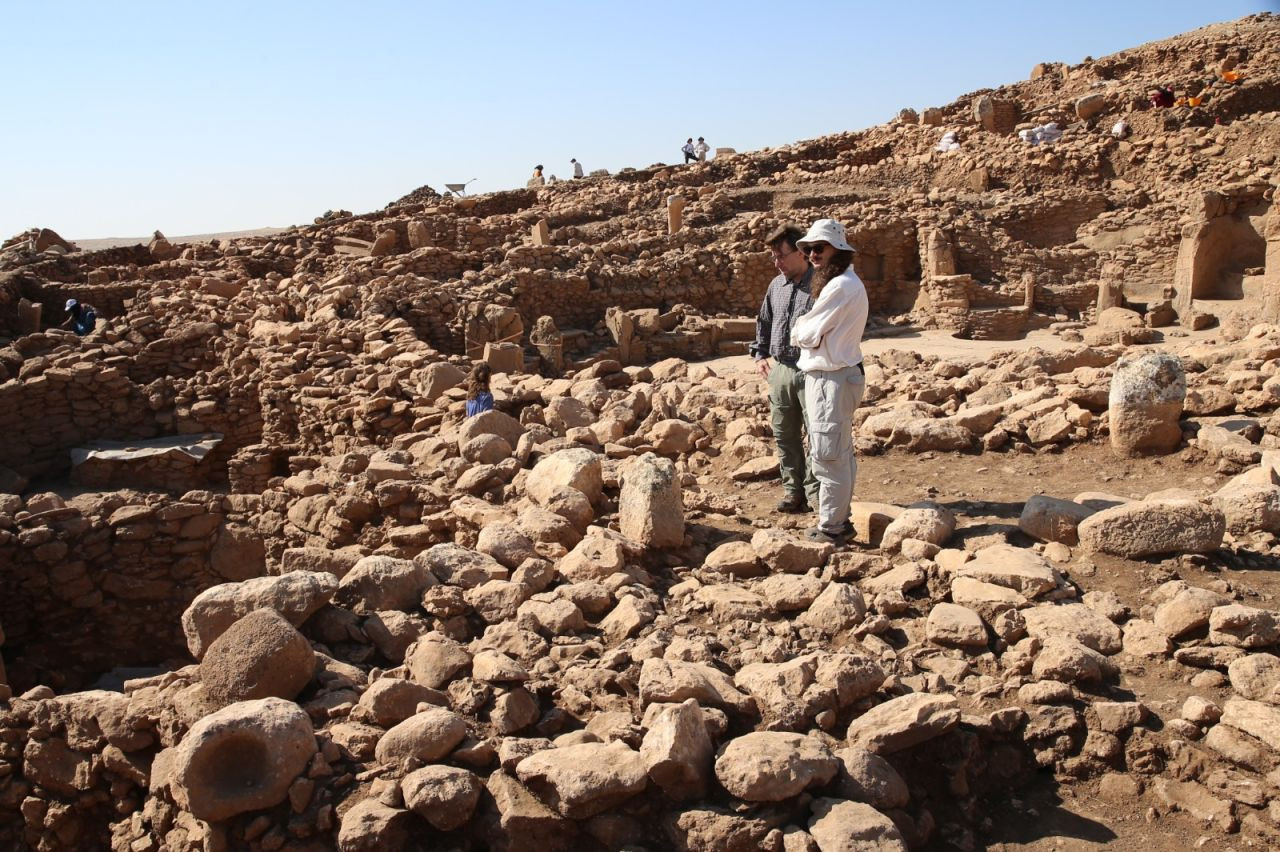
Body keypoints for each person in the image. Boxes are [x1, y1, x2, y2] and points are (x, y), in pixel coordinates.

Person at [790, 219, 868, 544]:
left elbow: (804, 332)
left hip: (830, 378)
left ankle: (832, 528)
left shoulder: (840, 287)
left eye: (819, 247)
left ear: (838, 249)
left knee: (828, 454)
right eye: (808, 249)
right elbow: (811, 331)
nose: (812, 255)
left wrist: (800, 328)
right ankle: (839, 520)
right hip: (838, 374)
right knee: (840, 450)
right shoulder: (844, 283)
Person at [750, 224, 818, 514]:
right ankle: (794, 492)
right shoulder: (776, 286)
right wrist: (760, 355)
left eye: (781, 256)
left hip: (813, 370)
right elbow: (764, 321)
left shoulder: (823, 285)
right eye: (773, 257)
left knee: (818, 436)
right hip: (781, 370)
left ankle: (817, 497)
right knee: (784, 434)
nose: (776, 263)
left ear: (802, 253)